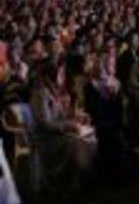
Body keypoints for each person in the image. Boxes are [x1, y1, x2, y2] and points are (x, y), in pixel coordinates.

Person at [30, 59, 97, 198]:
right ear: (49, 76)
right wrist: (68, 125)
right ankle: (71, 184)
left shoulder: (55, 91)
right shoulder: (40, 93)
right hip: (46, 137)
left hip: (58, 132)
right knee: (75, 143)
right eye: (60, 74)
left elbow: (61, 115)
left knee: (89, 137)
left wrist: (77, 116)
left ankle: (82, 180)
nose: (63, 77)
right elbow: (46, 123)